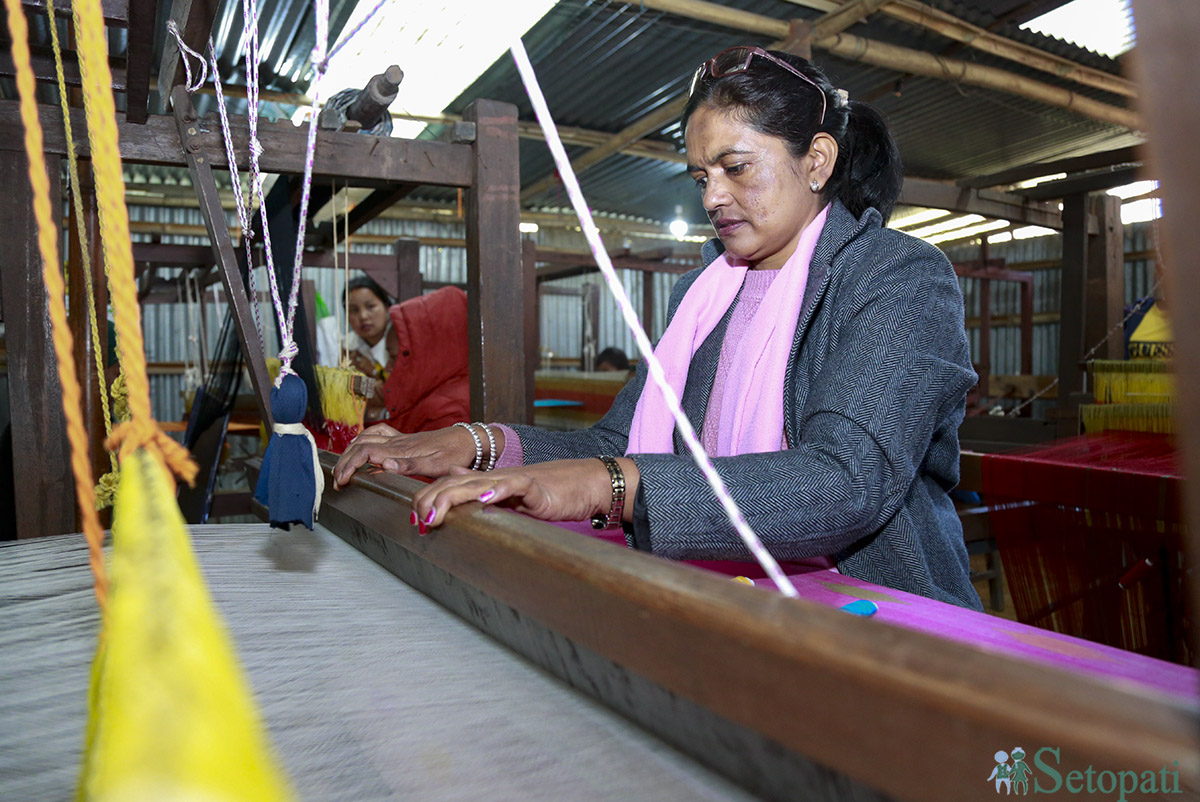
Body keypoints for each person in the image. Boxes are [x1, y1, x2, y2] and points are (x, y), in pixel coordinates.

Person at [333, 46, 981, 610]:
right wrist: (478, 444)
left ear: (816, 161)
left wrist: (612, 484)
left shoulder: (898, 278)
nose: (712, 198)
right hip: (729, 602)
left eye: (736, 168)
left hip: (887, 622)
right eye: (702, 176)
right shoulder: (705, 295)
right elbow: (621, 440)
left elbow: (844, 483)